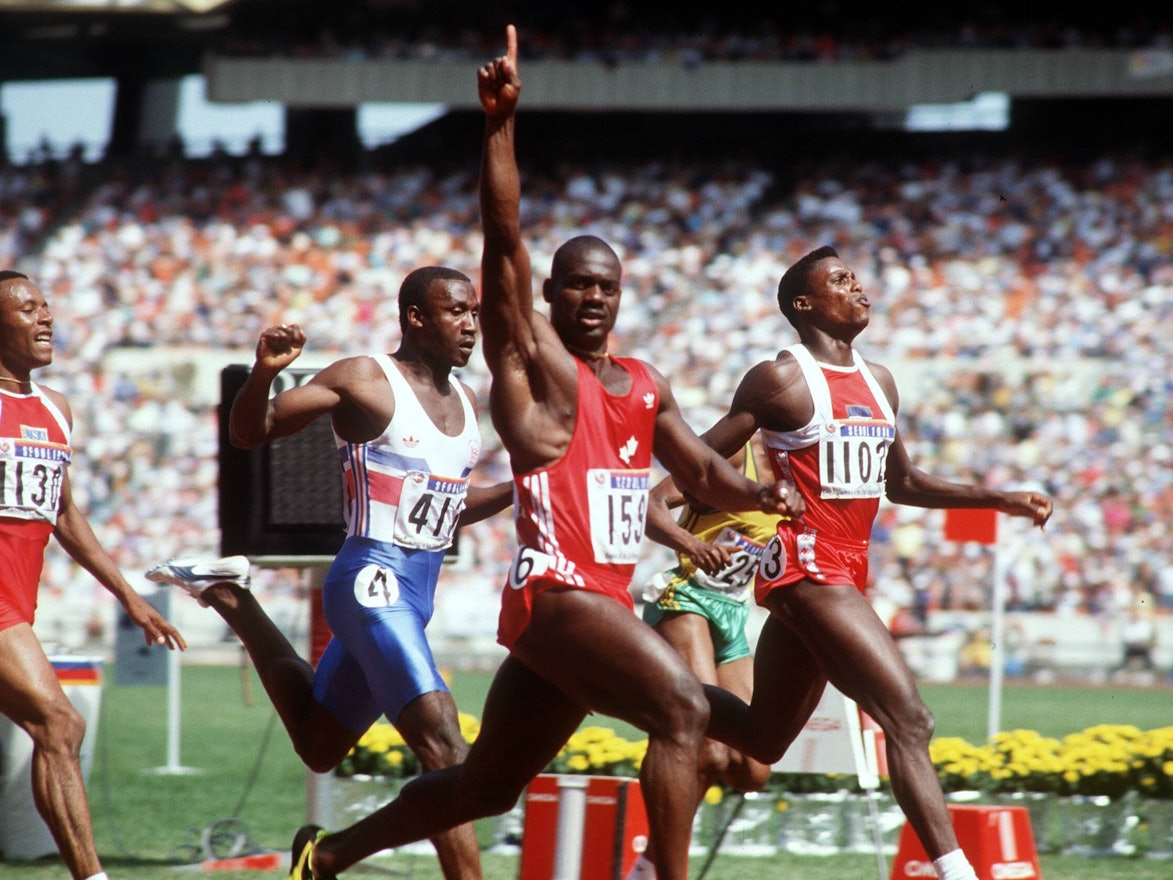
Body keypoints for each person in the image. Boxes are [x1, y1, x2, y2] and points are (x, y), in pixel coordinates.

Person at [285, 25, 803, 880]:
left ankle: (326, 856)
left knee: (486, 786)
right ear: (550, 298)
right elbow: (503, 238)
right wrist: (498, 126)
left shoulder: (643, 381)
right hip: (554, 595)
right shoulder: (532, 368)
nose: (593, 298)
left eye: (607, 287)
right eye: (578, 286)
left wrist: (766, 500)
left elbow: (701, 473)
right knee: (680, 706)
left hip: (598, 598)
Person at [697, 245, 1054, 880]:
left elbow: (903, 483)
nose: (859, 288)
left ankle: (645, 690)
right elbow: (700, 459)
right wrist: (661, 510)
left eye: (857, 278)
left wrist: (996, 497)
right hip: (809, 567)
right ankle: (955, 872)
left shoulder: (879, 380)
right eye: (841, 280)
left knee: (761, 740)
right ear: (804, 305)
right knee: (909, 719)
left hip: (844, 572)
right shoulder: (781, 380)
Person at [147, 265, 512, 880]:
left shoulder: (467, 403)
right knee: (445, 747)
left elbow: (449, 507)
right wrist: (264, 372)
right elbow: (249, 432)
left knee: (319, 745)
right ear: (416, 318)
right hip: (371, 581)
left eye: (475, 313)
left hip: (416, 592)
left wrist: (517, 490)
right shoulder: (365, 377)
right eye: (456, 312)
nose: (471, 326)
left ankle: (233, 599)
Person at [0, 270, 187, 880]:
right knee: (60, 722)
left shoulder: (57, 410)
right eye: (28, 310)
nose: (46, 317)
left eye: (46, 306)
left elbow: (64, 513)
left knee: (48, 724)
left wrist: (131, 596)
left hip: (16, 604)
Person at [625, 436, 780, 880]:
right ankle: (659, 868)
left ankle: (649, 863)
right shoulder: (736, 455)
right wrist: (693, 546)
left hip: (734, 611)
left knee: (753, 767)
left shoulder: (801, 475)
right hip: (686, 599)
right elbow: (650, 504)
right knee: (708, 749)